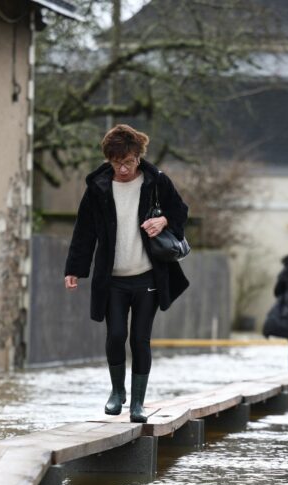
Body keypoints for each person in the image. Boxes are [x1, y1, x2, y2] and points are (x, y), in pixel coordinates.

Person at [64, 124, 190, 422]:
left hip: (147, 275)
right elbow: (84, 230)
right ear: (109, 159)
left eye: (129, 162)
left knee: (140, 339)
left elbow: (181, 211)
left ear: (138, 156)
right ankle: (117, 392)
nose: (122, 169)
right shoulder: (98, 187)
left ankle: (138, 403)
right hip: (113, 279)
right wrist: (74, 269)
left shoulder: (156, 181)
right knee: (116, 334)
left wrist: (164, 221)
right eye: (116, 162)